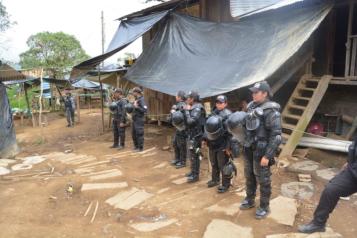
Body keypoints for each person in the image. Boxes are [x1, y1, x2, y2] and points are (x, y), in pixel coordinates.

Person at [240, 81, 282, 219]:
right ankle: (249, 199)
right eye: (252, 92)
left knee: (263, 179)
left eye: (256, 92)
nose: (253, 95)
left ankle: (264, 206)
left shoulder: (271, 110)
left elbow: (276, 136)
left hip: (262, 150)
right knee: (249, 175)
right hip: (249, 147)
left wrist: (268, 155)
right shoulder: (251, 106)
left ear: (265, 93)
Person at [298, 137, 357, 234]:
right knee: (331, 190)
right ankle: (318, 224)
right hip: (353, 171)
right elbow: (354, 147)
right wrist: (349, 161)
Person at [203, 95, 238, 193]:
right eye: (217, 102)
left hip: (222, 144)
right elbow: (207, 127)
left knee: (224, 165)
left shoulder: (228, 115)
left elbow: (231, 134)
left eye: (221, 102)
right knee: (214, 163)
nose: (219, 104)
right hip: (212, 143)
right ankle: (215, 180)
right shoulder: (213, 113)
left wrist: (228, 147)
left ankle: (225, 184)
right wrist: (205, 139)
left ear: (226, 103)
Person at [184, 91, 206, 183]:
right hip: (192, 135)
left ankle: (195, 175)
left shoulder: (198, 108)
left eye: (188, 98)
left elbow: (191, 121)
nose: (187, 99)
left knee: (195, 155)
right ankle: (193, 171)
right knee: (192, 155)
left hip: (197, 137)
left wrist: (187, 111)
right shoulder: (193, 107)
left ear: (192, 99)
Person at [168, 90, 188, 169]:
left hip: (182, 128)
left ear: (179, 97)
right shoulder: (179, 105)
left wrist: (173, 113)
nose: (175, 97)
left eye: (176, 96)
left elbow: (180, 117)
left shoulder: (183, 105)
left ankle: (182, 161)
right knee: (175, 144)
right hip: (178, 128)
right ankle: (177, 159)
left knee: (181, 145)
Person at [131, 87, 147, 152]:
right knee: (133, 134)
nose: (132, 93)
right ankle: (136, 146)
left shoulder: (142, 99)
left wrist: (137, 107)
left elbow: (145, 110)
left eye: (133, 92)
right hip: (135, 119)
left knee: (139, 134)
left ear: (137, 92)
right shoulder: (137, 99)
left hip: (139, 119)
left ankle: (140, 148)